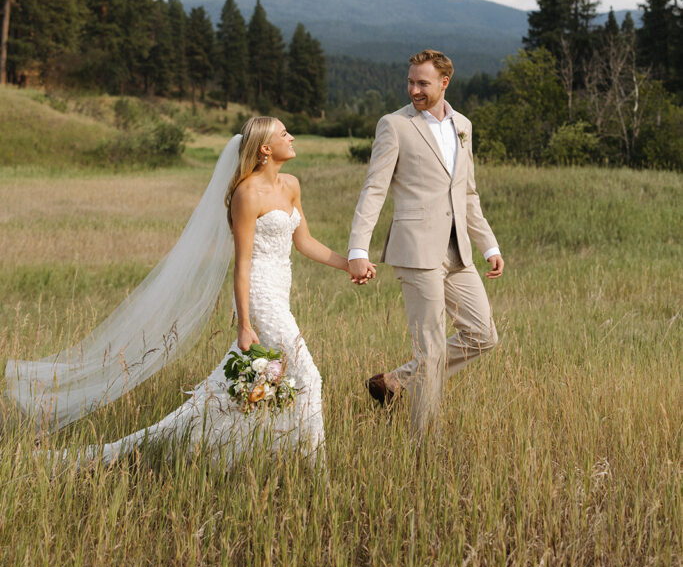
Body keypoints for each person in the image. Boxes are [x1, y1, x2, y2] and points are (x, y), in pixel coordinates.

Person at [7, 117, 349, 465]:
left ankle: (215, 446)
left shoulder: (291, 185)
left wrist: (348, 263)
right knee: (308, 376)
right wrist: (245, 323)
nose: (291, 137)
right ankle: (313, 465)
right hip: (260, 294)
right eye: (283, 134)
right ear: (264, 149)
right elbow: (242, 264)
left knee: (247, 386)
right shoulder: (246, 195)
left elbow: (304, 241)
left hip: (281, 289)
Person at [348, 49, 503, 438]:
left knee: (483, 335)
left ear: (444, 83)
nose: (414, 89)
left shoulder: (463, 125)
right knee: (430, 350)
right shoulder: (394, 125)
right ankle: (423, 447)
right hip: (416, 249)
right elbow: (374, 189)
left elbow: (467, 193)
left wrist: (489, 245)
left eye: (423, 83)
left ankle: (395, 383)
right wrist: (357, 250)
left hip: (459, 250)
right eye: (410, 82)